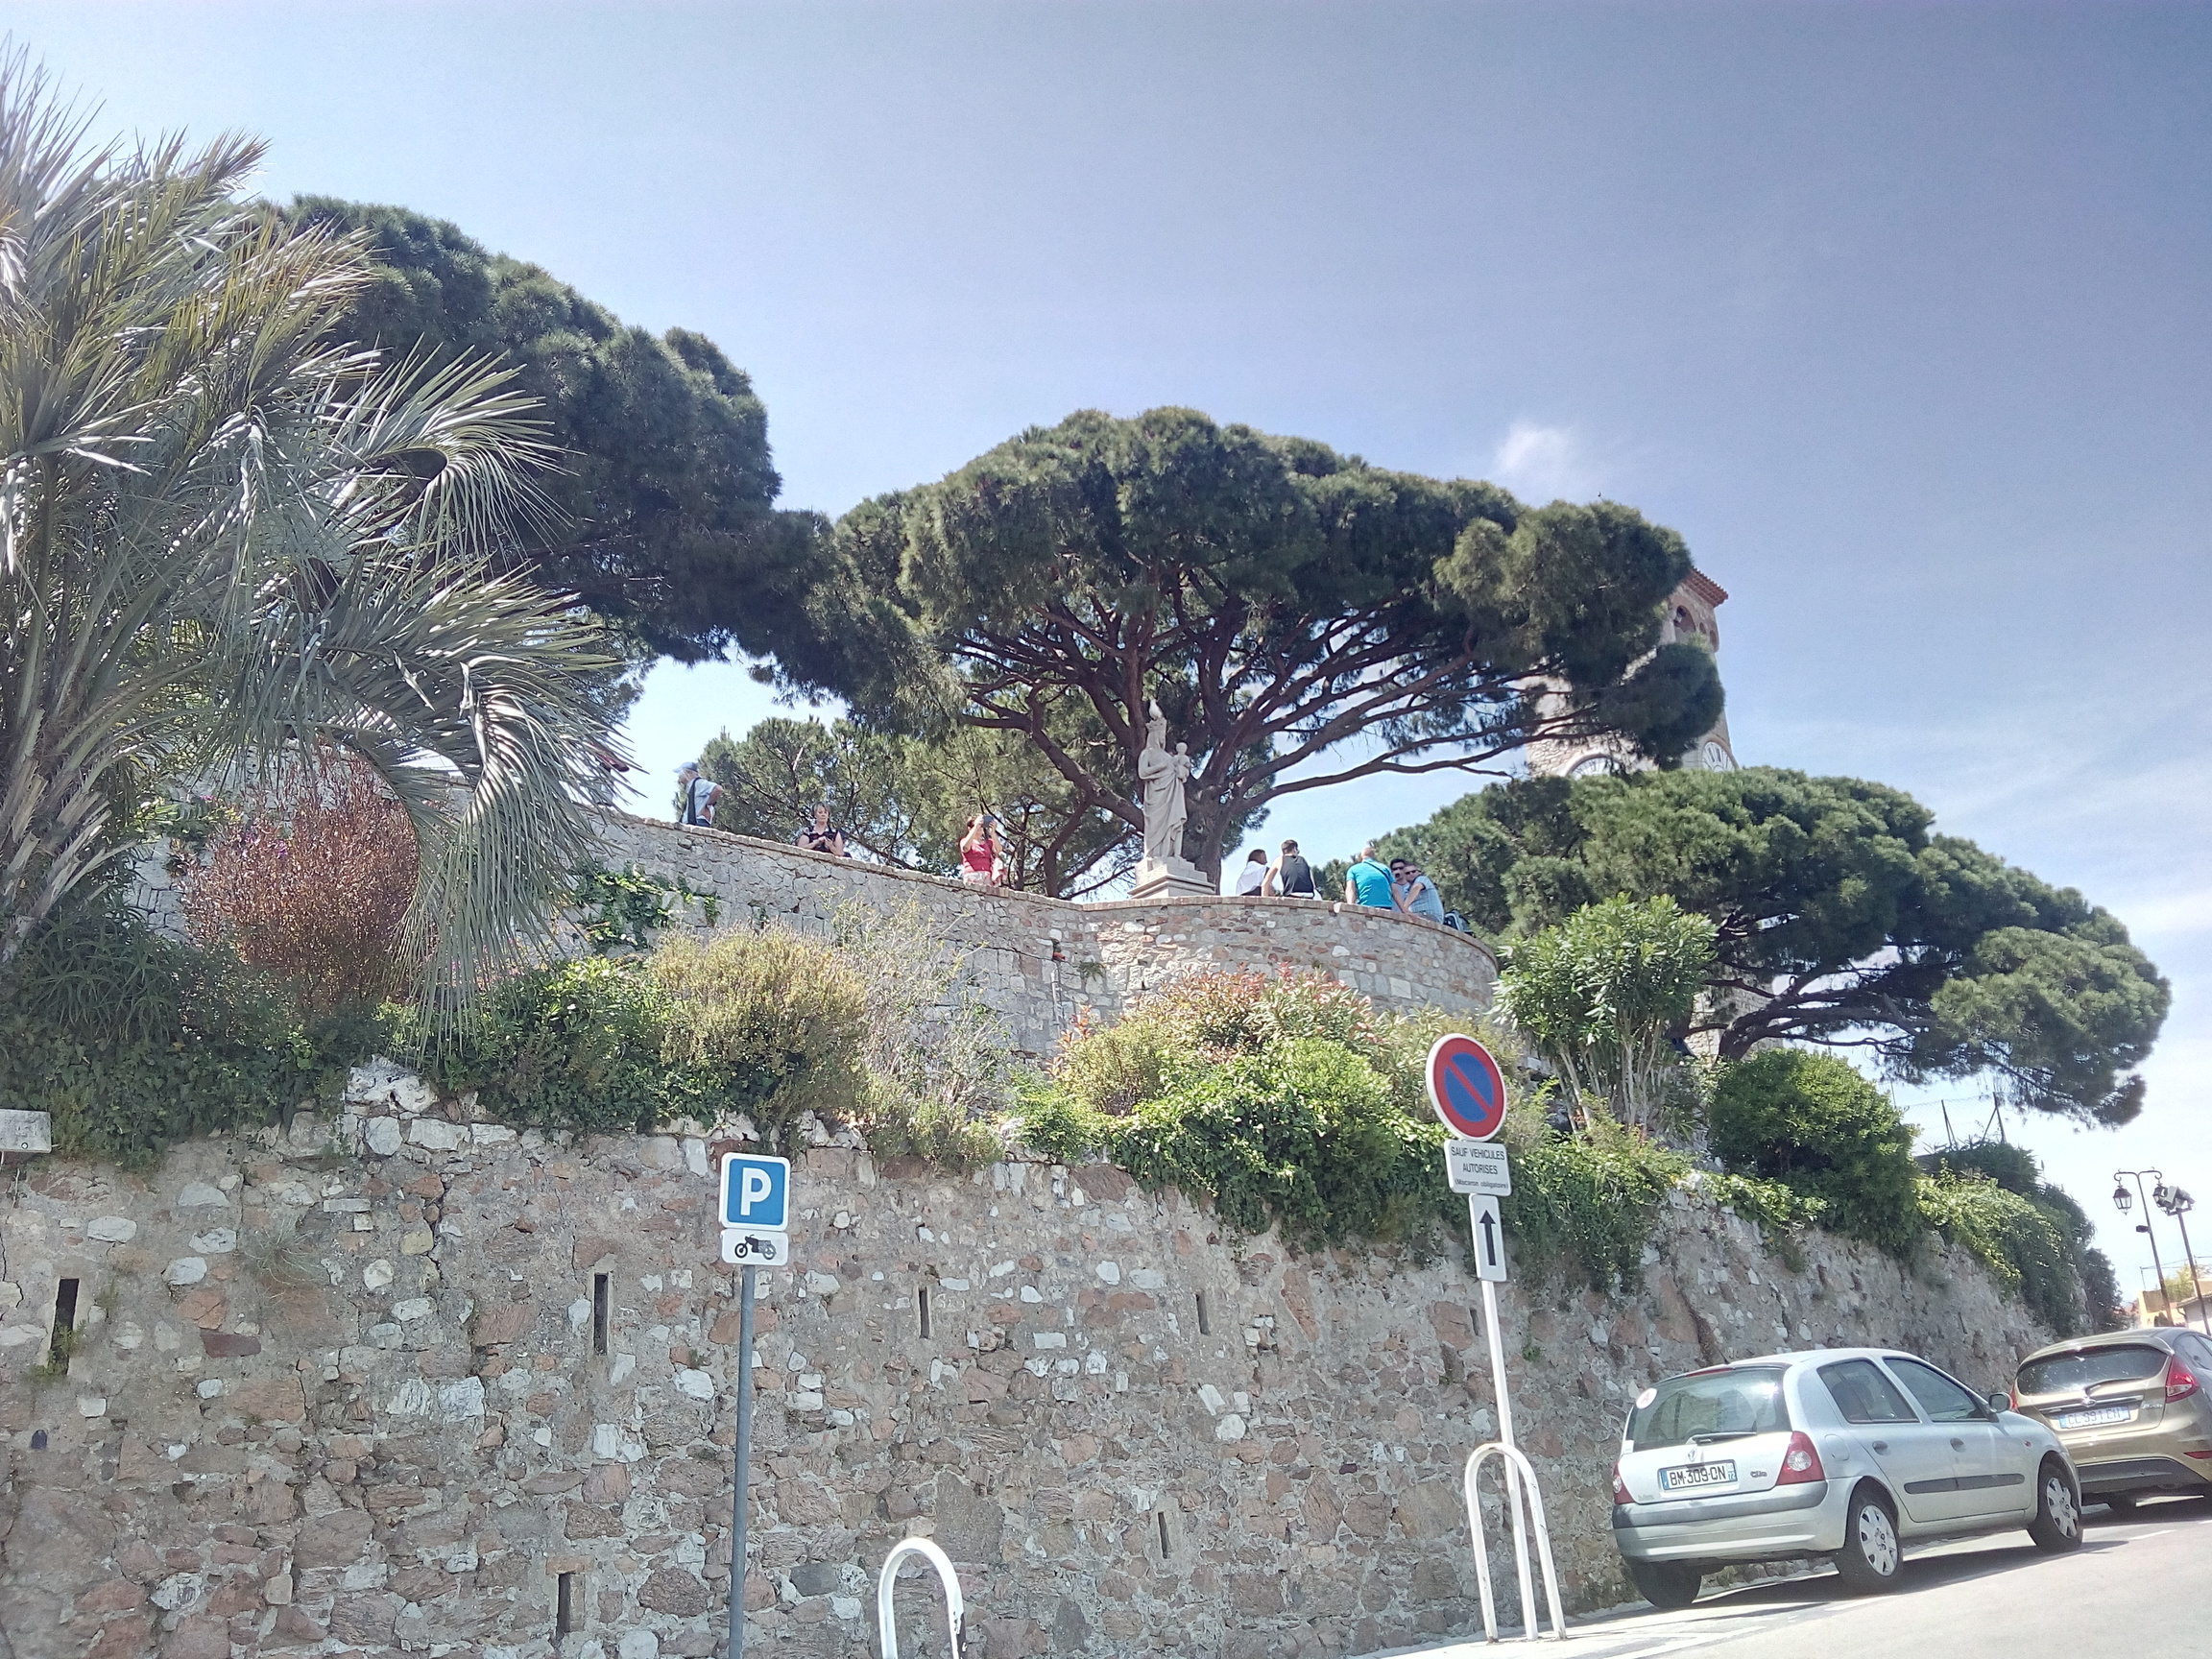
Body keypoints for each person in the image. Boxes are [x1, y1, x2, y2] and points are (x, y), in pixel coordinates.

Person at [1390, 856, 1448, 924]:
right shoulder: (1407, 888)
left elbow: (1416, 888)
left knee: (1400, 919)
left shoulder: (1422, 879)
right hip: (1420, 915)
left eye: (1413, 871)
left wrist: (1404, 908)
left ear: (1418, 872)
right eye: (1407, 873)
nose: (1411, 874)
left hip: (1430, 916)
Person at [958, 814, 1003, 887]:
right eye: (978, 825)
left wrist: (993, 833)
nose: (980, 828)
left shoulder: (988, 843)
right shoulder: (965, 841)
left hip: (987, 876)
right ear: (970, 828)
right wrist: (976, 826)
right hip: (972, 875)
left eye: (981, 826)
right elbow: (965, 848)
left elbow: (998, 849)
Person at [1344, 845, 1395, 909]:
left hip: (1365, 905)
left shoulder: (1353, 869)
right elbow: (1395, 891)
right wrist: (1404, 910)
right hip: (1386, 906)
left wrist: (1350, 906)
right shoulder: (1385, 868)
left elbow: (1350, 889)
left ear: (1361, 857)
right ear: (1374, 856)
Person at [676, 761, 722, 829]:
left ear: (688, 772)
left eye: (680, 772)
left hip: (698, 823)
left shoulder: (699, 783)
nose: (679, 775)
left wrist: (708, 805)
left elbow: (718, 789)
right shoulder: (692, 787)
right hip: (692, 824)